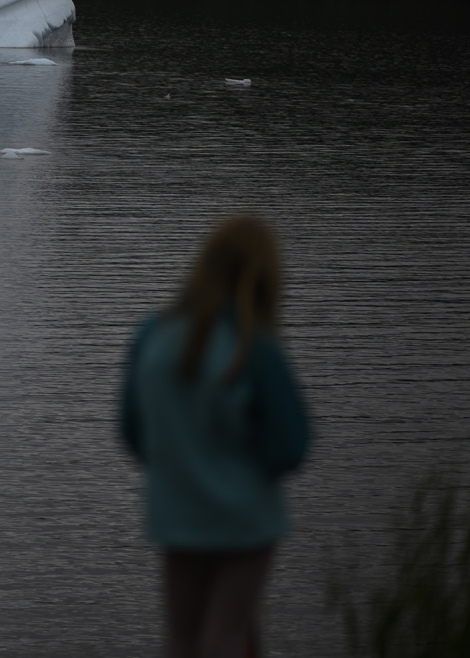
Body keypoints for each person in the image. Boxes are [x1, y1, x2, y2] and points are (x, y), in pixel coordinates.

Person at [120, 215, 311, 658]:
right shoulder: (255, 346)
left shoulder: (151, 336)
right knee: (227, 635)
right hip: (245, 518)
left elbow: (132, 431)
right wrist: (239, 465)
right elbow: (291, 446)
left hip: (176, 512)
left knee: (180, 638)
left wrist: (181, 465)